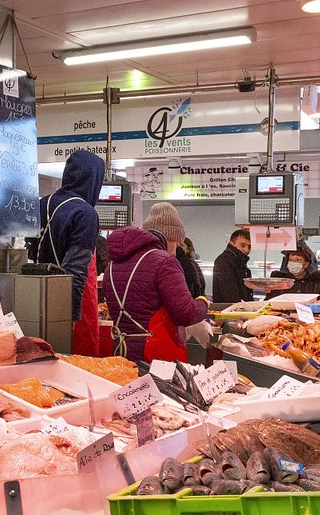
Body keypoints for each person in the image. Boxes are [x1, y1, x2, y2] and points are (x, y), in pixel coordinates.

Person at [105, 222, 208, 364]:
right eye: (177, 243)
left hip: (121, 352)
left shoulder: (112, 265)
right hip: (157, 358)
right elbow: (185, 314)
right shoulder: (165, 262)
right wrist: (203, 302)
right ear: (169, 238)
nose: (176, 249)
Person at [37, 149, 105, 356]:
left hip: (37, 300)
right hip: (72, 307)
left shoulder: (40, 204)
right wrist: (70, 320)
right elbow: (75, 269)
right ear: (93, 180)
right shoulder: (85, 213)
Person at [143, 202, 205, 299]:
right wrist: (202, 302)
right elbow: (183, 308)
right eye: (176, 242)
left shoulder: (134, 260)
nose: (177, 247)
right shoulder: (169, 263)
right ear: (167, 239)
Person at [212, 229, 254, 304]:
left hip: (239, 310)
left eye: (249, 247)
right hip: (230, 312)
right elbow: (230, 295)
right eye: (242, 245)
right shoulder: (224, 261)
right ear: (232, 243)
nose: (247, 250)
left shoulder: (240, 262)